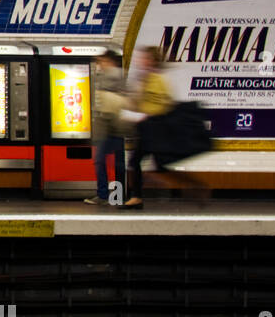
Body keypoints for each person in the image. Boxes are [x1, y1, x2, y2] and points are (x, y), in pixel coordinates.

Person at [121, 46, 209, 208]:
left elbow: (164, 104)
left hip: (153, 128)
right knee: (153, 165)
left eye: (145, 58)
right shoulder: (146, 79)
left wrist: (147, 113)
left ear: (152, 61)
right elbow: (142, 103)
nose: (141, 61)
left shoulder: (156, 80)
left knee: (138, 162)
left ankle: (138, 197)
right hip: (147, 126)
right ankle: (194, 185)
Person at [84, 50, 127, 205]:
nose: (99, 64)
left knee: (101, 161)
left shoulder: (112, 77)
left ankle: (104, 195)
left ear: (109, 61)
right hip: (117, 127)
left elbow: (108, 104)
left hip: (111, 127)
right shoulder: (120, 76)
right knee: (117, 162)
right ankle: (120, 195)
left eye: (101, 61)